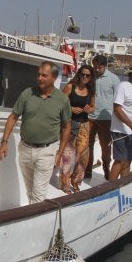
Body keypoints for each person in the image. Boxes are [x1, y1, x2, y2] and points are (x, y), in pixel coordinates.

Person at [0, 61, 72, 203]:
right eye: (38, 75)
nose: (40, 78)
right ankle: (33, 216)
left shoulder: (62, 99)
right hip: (25, 148)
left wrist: (59, 153)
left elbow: (66, 127)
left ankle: (34, 222)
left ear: (54, 78)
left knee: (38, 194)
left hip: (46, 151)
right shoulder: (27, 94)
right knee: (30, 190)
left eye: (44, 75)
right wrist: (4, 142)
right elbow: (13, 117)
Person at [59, 65, 95, 193]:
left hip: (84, 125)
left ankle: (76, 181)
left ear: (91, 77)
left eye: (88, 75)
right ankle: (64, 182)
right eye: (82, 74)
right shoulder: (70, 87)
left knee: (83, 157)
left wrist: (89, 109)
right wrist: (71, 108)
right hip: (70, 123)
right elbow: (60, 102)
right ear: (79, 74)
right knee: (68, 155)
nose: (84, 77)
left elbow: (92, 107)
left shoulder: (90, 90)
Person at [85, 54, 120, 181]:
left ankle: (106, 167)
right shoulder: (89, 76)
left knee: (105, 145)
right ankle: (87, 169)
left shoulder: (114, 79)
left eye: (99, 67)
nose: (96, 70)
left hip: (106, 118)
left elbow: (118, 100)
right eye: (95, 67)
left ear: (105, 66)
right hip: (89, 117)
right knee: (87, 144)